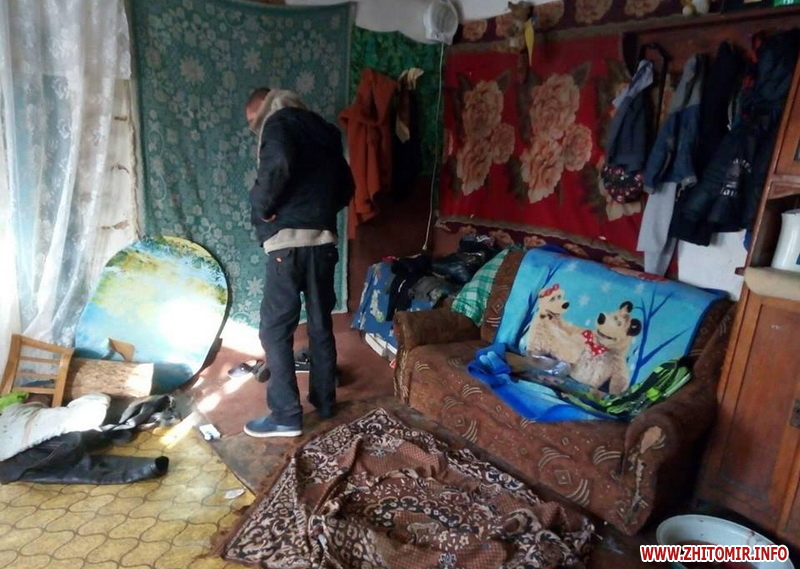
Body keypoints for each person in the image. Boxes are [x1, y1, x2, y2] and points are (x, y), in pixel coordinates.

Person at [243, 87, 354, 438]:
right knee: (320, 324)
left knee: (275, 330)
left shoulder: (278, 122)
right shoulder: (325, 131)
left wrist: (261, 210)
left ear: (262, 109)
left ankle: (286, 415)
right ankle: (324, 401)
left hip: (287, 245)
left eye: (252, 122)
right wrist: (319, 212)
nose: (253, 129)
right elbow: (346, 186)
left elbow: (277, 164)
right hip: (322, 244)